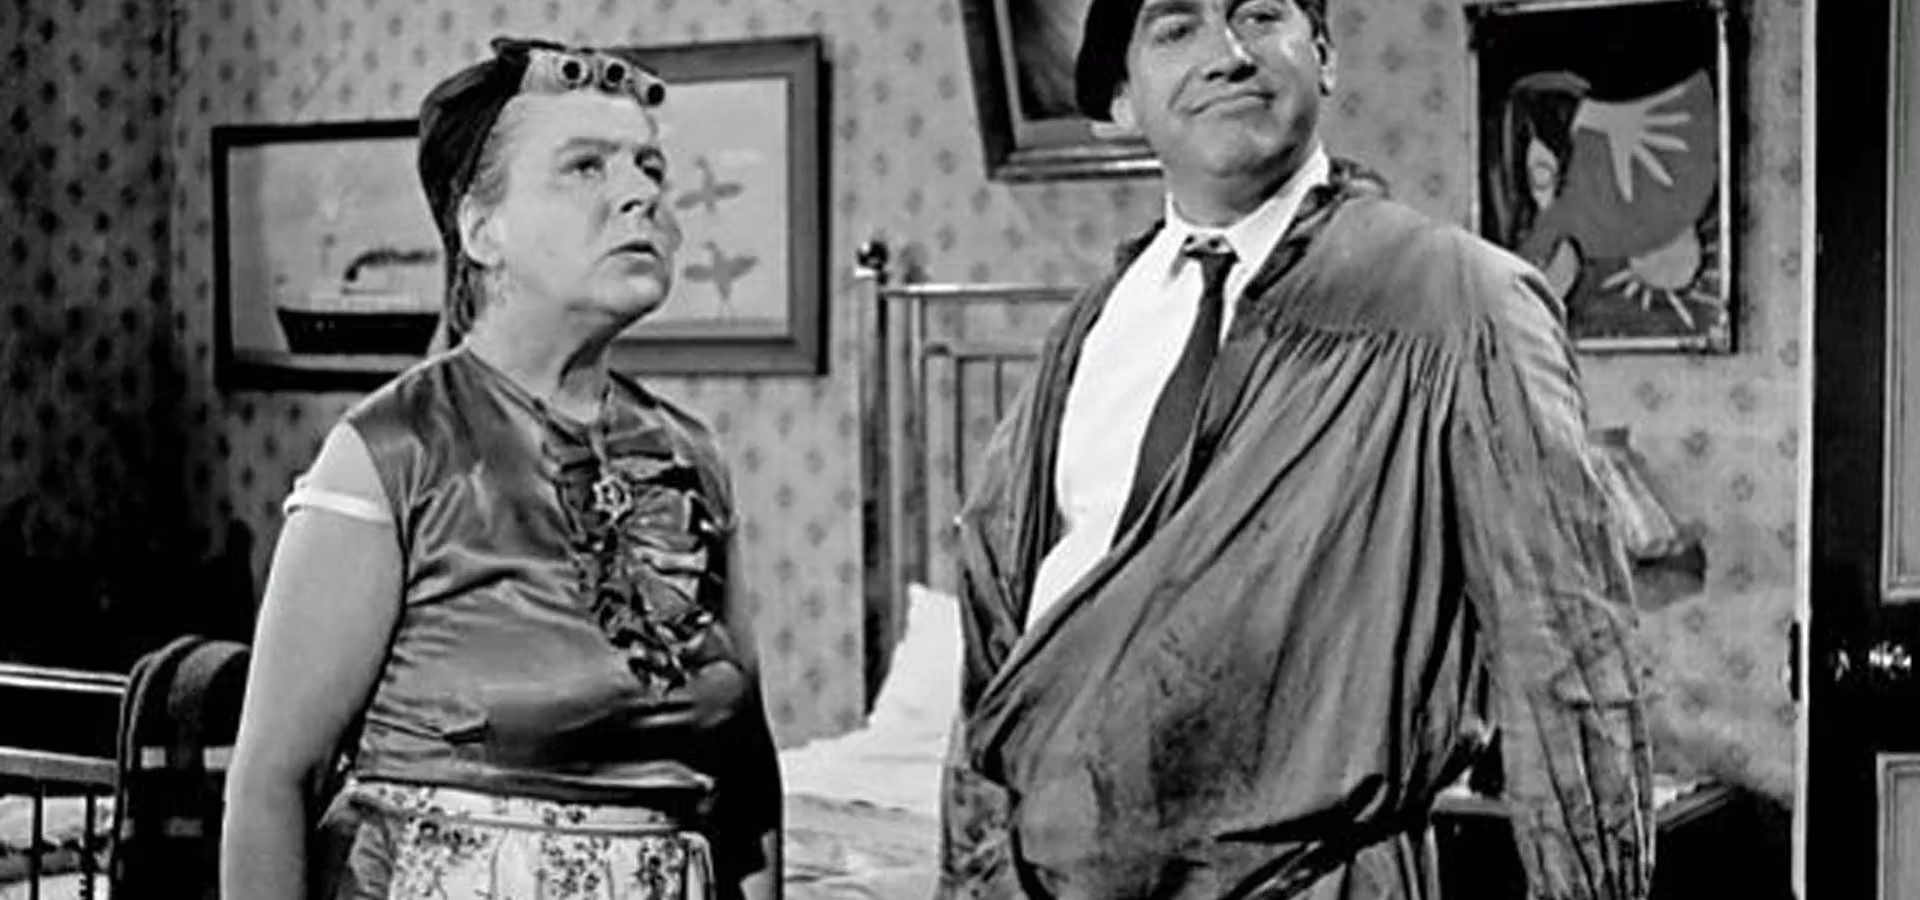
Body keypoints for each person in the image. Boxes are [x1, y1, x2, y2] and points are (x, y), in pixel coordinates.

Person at [936, 1, 1655, 898]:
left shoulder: (1458, 304)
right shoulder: (1083, 337)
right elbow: (990, 666)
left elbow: (1569, 662)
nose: (1228, 54)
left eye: (1259, 13)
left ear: (1325, 58)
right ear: (1121, 100)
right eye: (1176, 28)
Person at [222, 37, 783, 900]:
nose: (641, 194)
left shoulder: (689, 458)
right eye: (586, 167)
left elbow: (747, 784)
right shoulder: (394, 451)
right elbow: (270, 783)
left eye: (649, 168)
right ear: (482, 231)